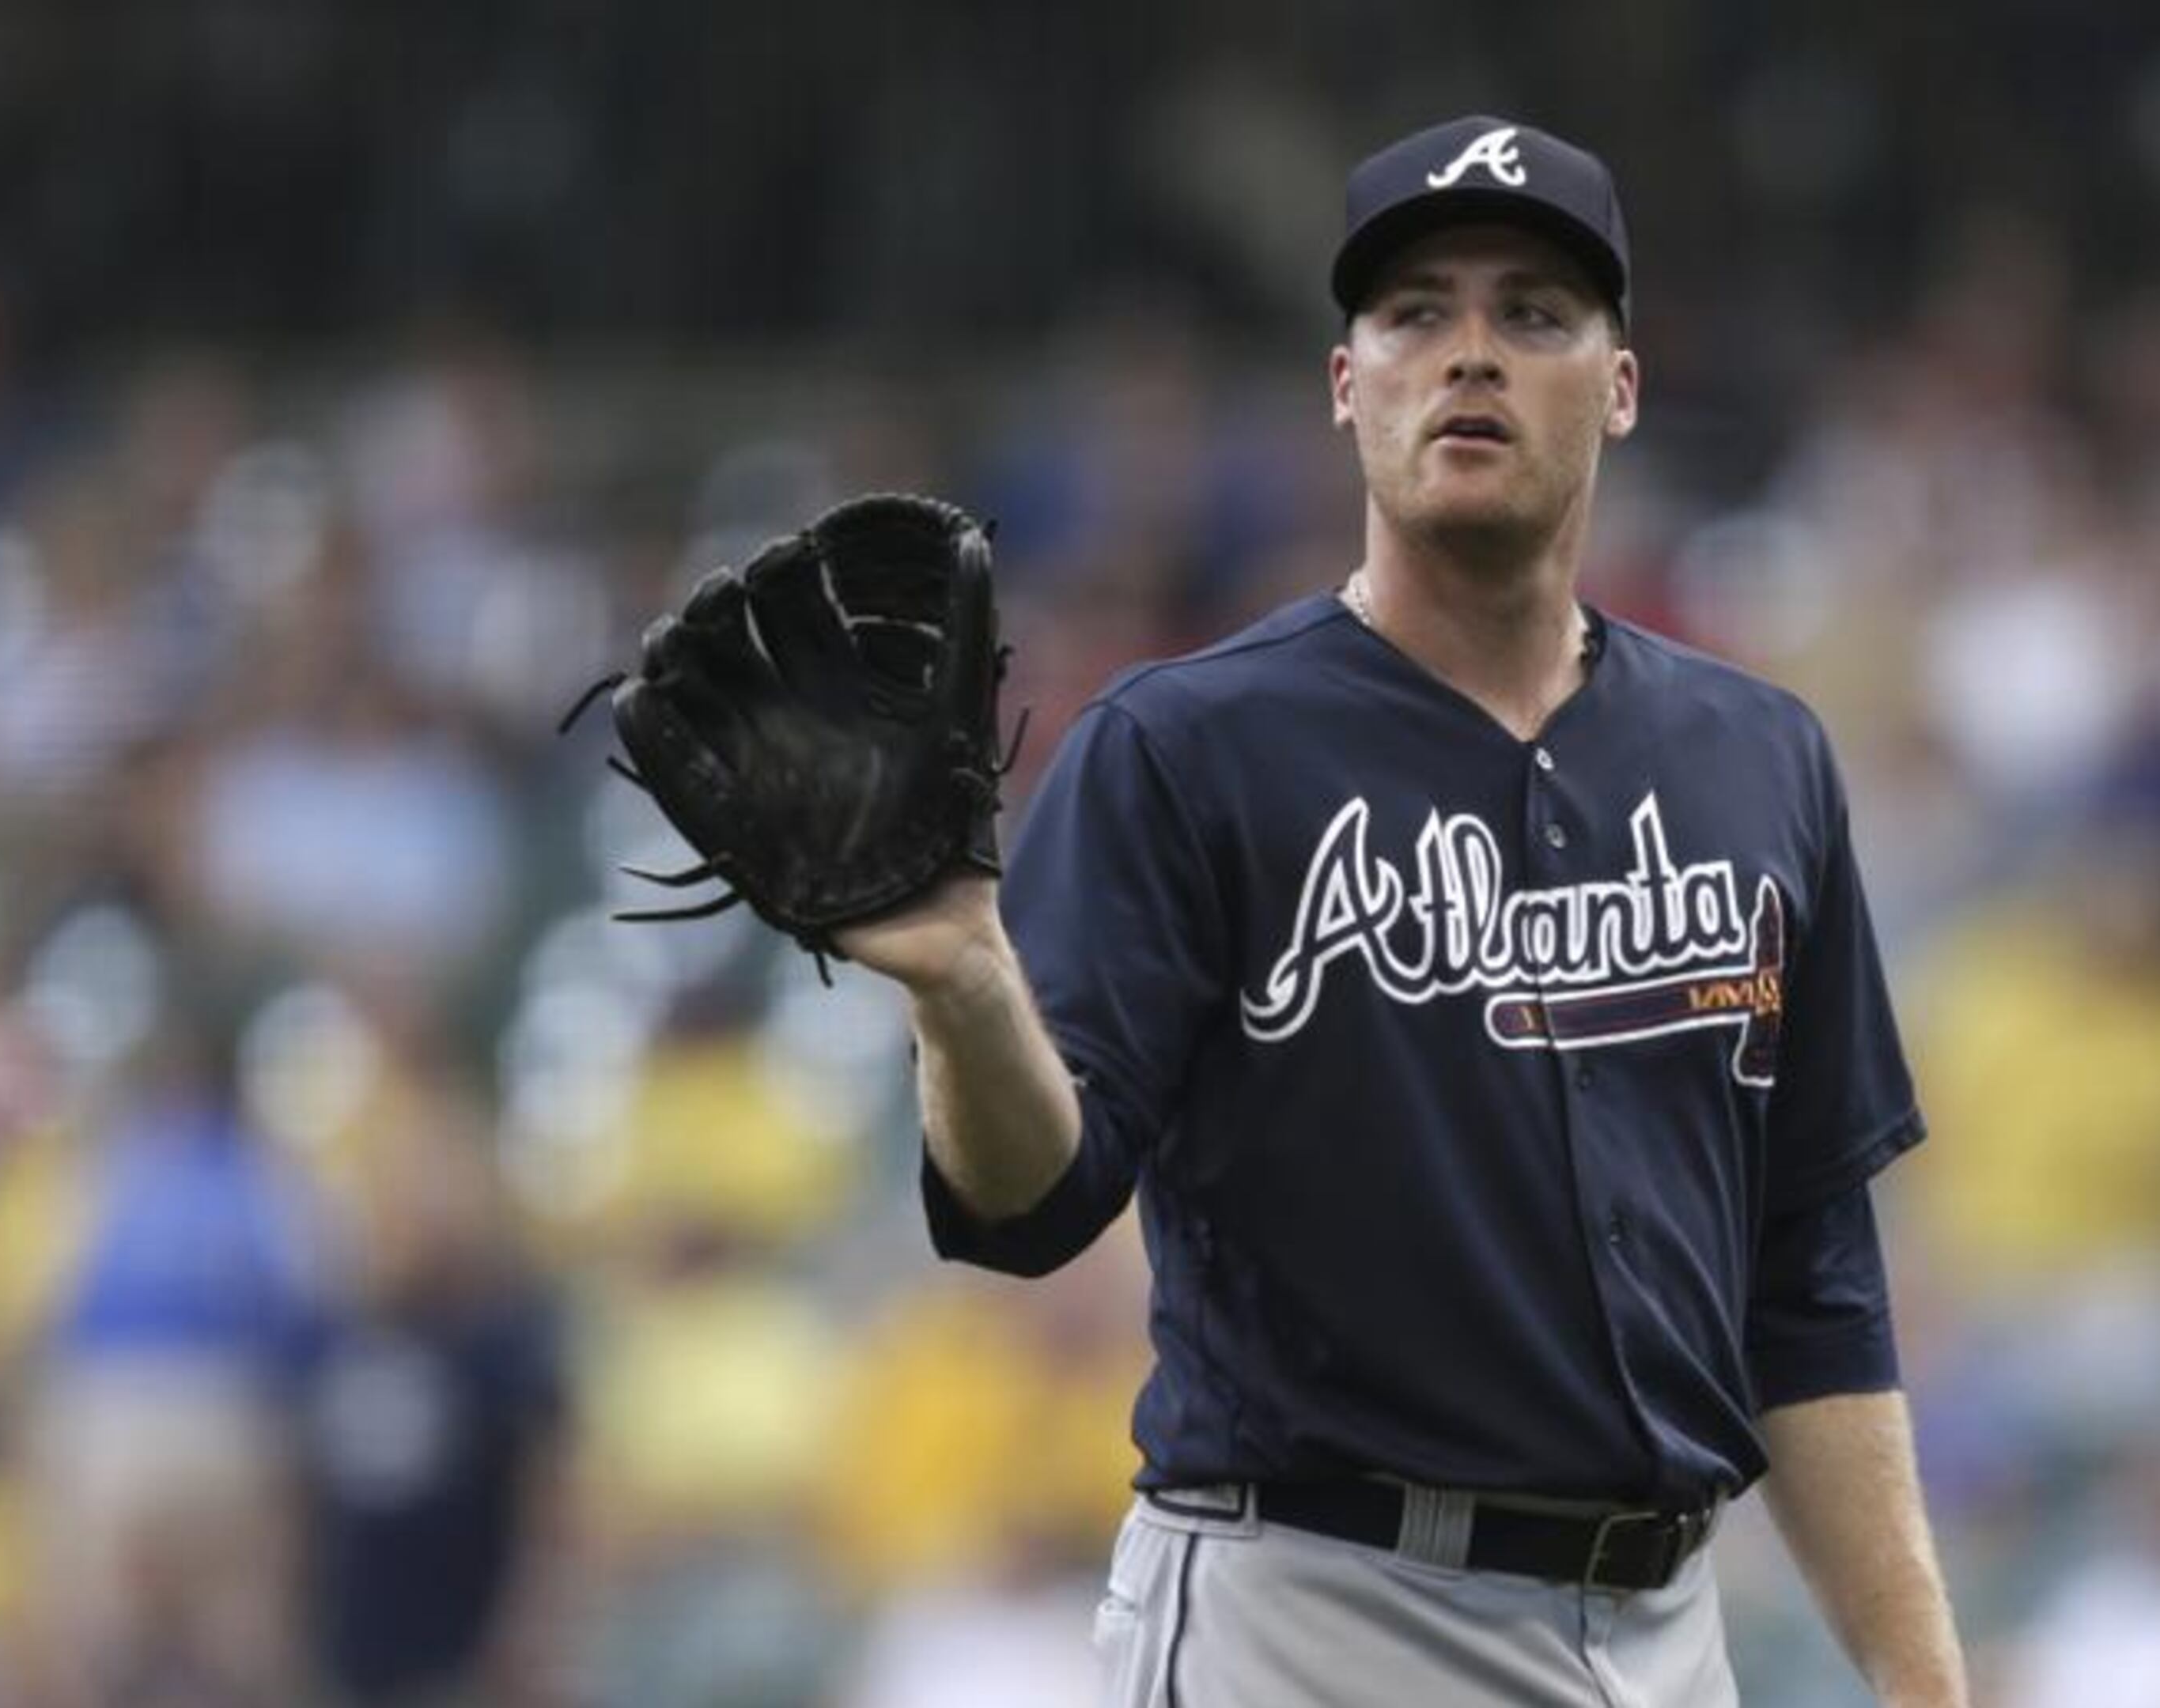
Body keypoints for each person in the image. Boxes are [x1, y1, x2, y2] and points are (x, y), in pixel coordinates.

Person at [834, 115, 1970, 1706]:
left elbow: (1810, 1282)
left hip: (1667, 1634)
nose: (1471, 355)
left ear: (1622, 387)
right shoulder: (1189, 750)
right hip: (1316, 1616)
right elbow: (1029, 1207)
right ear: (1346, 384)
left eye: (1536, 313)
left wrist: (1925, 1684)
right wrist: (961, 988)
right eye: (1417, 311)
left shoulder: (1758, 759)